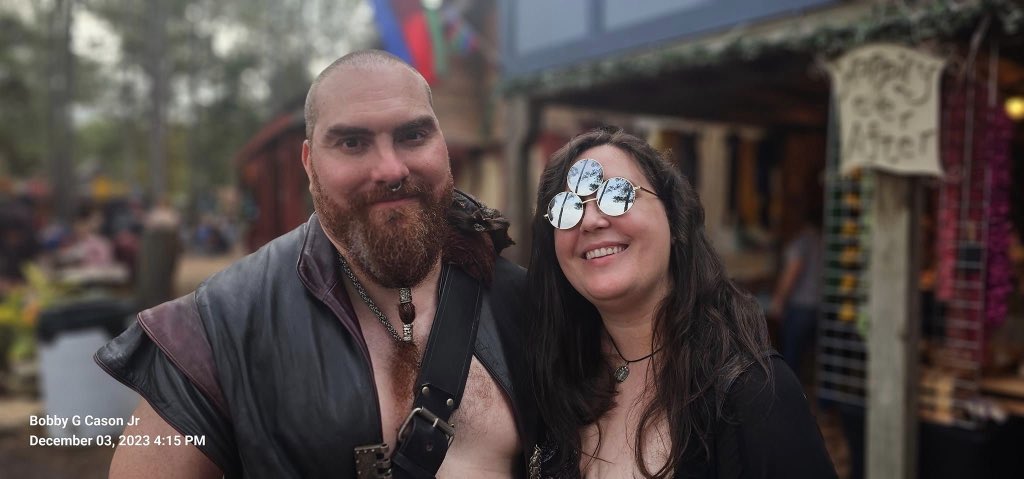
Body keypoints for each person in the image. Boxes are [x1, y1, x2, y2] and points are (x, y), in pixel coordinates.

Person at [96, 50, 536, 478]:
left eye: (413, 136)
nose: (390, 168)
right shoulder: (215, 330)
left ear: (441, 144)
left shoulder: (523, 304)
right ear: (310, 164)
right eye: (352, 142)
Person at [527, 127, 835, 478]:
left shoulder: (756, 394)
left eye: (617, 193)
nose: (592, 220)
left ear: (674, 220)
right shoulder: (548, 380)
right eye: (568, 207)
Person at [768, 207, 824, 378]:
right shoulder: (824, 242)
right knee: (818, 359)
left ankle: (791, 398)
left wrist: (778, 300)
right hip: (820, 307)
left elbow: (792, 273)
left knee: (791, 359)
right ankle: (823, 401)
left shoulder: (801, 243)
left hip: (800, 308)